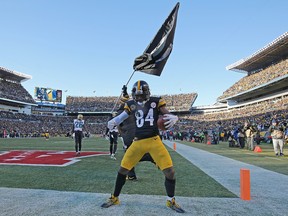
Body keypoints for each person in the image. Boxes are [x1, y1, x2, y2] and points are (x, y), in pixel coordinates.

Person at [101, 80, 185, 213]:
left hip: (154, 141)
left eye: (141, 94)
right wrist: (113, 121)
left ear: (147, 92)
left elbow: (166, 113)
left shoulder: (156, 101)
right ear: (134, 95)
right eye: (137, 95)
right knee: (123, 170)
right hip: (137, 142)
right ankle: (115, 197)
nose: (139, 97)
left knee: (170, 171)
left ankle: (171, 200)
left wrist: (174, 118)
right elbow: (122, 117)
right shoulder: (130, 104)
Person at [117, 85, 155, 181]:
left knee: (129, 155)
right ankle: (132, 174)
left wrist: (123, 135)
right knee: (132, 154)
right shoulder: (134, 108)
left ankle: (132, 174)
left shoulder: (121, 111)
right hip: (139, 133)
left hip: (129, 135)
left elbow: (118, 125)